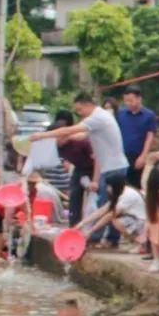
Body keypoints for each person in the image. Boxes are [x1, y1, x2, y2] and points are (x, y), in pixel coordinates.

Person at [30, 93, 129, 245]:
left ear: (88, 104)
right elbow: (81, 135)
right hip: (111, 166)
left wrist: (43, 135)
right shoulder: (99, 117)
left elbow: (70, 130)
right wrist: (67, 137)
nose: (79, 114)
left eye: (80, 110)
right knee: (109, 204)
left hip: (113, 167)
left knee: (104, 205)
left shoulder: (97, 117)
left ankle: (96, 238)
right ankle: (107, 238)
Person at [49, 111, 95, 227]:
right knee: (74, 195)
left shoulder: (80, 142)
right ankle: (74, 225)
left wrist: (95, 179)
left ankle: (93, 227)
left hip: (94, 168)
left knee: (94, 199)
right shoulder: (56, 146)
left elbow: (96, 158)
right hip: (79, 169)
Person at [74, 173, 147, 246]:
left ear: (115, 186)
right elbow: (101, 211)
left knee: (117, 222)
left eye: (109, 186)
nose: (107, 189)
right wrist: (81, 223)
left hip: (142, 222)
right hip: (136, 219)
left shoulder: (127, 195)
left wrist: (90, 231)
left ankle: (140, 242)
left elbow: (109, 216)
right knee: (115, 220)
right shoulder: (121, 192)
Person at [116, 85, 158, 188]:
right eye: (126, 101)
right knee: (120, 184)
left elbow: (150, 137)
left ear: (139, 98)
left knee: (135, 185)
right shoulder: (121, 114)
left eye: (131, 100)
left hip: (137, 155)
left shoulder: (149, 115)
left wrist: (143, 156)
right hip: (121, 154)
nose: (128, 103)